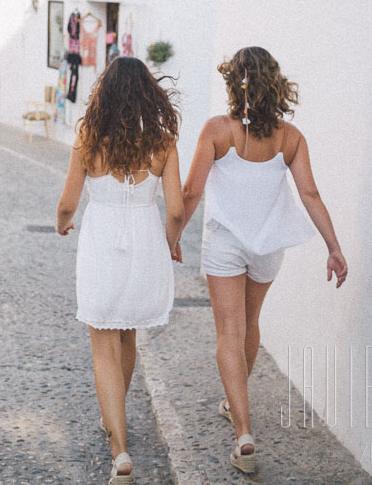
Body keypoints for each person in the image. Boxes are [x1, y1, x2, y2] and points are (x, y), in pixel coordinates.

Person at [177, 46, 348, 474]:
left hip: (227, 245)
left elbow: (191, 192)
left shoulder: (218, 130)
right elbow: (310, 194)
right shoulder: (290, 137)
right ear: (275, 82)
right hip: (269, 247)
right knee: (250, 325)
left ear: (234, 84)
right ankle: (235, 405)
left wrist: (172, 234)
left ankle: (244, 433)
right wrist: (334, 246)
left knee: (228, 334)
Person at [56, 56, 184, 485]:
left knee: (102, 346)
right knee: (127, 333)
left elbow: (67, 204)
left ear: (104, 93)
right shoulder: (164, 142)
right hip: (146, 242)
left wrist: (62, 224)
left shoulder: (89, 139)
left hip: (103, 244)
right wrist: (172, 241)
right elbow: (178, 209)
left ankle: (120, 450)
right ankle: (116, 418)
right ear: (150, 94)